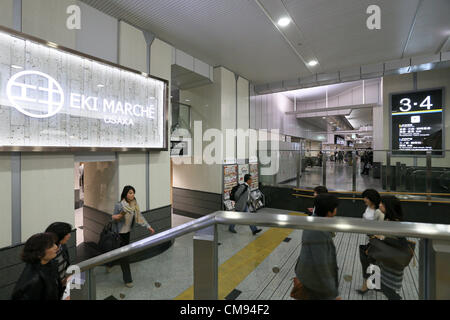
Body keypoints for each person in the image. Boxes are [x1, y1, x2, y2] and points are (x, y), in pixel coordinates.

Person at [358, 196, 408, 299]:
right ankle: (369, 285)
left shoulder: (395, 223)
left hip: (392, 263)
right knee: (384, 286)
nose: (379, 205)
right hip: (386, 261)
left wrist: (381, 238)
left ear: (389, 207)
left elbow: (399, 242)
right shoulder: (389, 219)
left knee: (388, 289)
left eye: (382, 204)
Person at [295, 194, 340, 300]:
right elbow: (321, 265)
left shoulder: (313, 220)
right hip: (312, 281)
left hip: (306, 274)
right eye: (335, 208)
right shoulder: (318, 231)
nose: (337, 210)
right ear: (329, 211)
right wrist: (332, 292)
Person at [111, 185, 155, 288]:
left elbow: (140, 216)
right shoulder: (119, 205)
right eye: (130, 193)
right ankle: (128, 279)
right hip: (119, 234)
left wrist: (148, 227)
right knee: (124, 256)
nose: (132, 195)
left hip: (127, 234)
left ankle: (109, 264)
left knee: (118, 253)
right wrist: (118, 216)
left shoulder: (134, 204)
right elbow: (113, 217)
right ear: (125, 194)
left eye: (133, 193)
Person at [11, 233, 63, 300]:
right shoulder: (34, 281)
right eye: (51, 246)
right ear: (39, 253)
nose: (56, 247)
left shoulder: (49, 263)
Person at [45, 222, 72, 291]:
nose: (69, 235)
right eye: (67, 234)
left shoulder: (62, 246)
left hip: (63, 286)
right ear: (59, 236)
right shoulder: (47, 255)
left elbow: (67, 264)